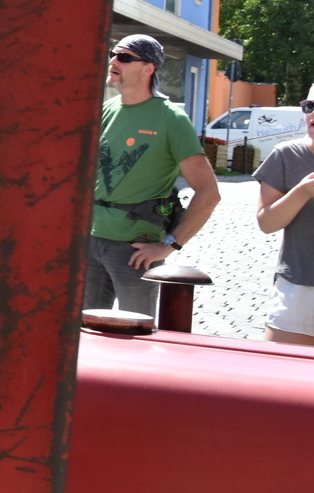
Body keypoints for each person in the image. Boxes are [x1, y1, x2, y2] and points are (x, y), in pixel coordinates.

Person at [85, 34, 220, 314]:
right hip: (90, 240)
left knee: (135, 333)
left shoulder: (172, 119)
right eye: (113, 53)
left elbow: (208, 193)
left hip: (135, 251)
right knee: (85, 335)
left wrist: (169, 245)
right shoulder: (107, 110)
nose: (113, 61)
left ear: (149, 69)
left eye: (124, 57)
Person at [252, 78, 314, 348]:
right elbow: (266, 223)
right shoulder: (286, 155)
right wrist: (301, 193)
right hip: (301, 285)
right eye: (309, 106)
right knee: (285, 379)